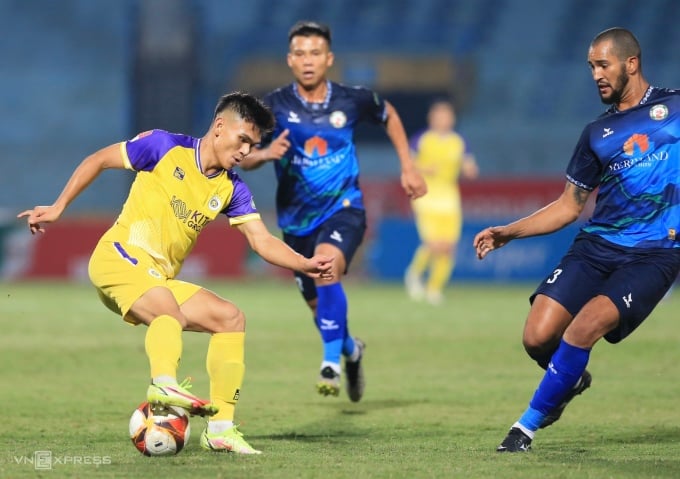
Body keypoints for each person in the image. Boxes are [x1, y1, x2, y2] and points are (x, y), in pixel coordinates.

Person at [17, 92, 335, 455]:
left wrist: (304, 263)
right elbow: (98, 160)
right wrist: (59, 207)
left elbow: (261, 241)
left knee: (230, 318)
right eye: (243, 139)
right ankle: (164, 383)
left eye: (253, 144)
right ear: (219, 127)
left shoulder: (232, 188)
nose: (247, 150)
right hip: (117, 259)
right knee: (167, 309)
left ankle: (220, 429)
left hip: (156, 279)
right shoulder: (163, 146)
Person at [473, 27, 680, 452]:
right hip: (597, 246)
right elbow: (569, 206)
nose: (596, 75)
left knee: (585, 325)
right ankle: (570, 376)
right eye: (591, 67)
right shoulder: (596, 135)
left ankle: (523, 429)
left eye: (603, 65)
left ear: (631, 64)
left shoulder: (675, 108)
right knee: (536, 337)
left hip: (654, 253)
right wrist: (509, 232)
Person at [239, 21, 427, 400]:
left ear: (329, 59)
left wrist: (408, 165)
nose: (308, 61)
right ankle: (351, 351)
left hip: (345, 210)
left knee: (326, 268)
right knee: (319, 310)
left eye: (315, 53)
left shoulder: (352, 99)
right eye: (300, 54)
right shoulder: (272, 106)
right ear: (290, 60)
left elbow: (388, 113)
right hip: (295, 223)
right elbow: (242, 156)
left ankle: (330, 364)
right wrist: (265, 153)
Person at [404, 100, 478, 305]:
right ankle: (414, 274)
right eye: (439, 115)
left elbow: (469, 164)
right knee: (434, 244)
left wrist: (470, 170)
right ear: (432, 118)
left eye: (447, 116)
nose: (444, 120)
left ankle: (434, 289)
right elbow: (408, 164)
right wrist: (424, 169)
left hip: (450, 199)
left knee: (449, 247)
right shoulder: (422, 139)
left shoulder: (459, 141)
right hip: (425, 197)